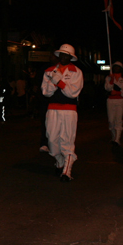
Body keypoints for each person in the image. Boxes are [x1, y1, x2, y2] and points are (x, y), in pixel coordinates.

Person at [42, 44, 84, 181]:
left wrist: (59, 82)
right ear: (59, 55)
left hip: (69, 110)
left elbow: (73, 92)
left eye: (67, 55)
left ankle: (67, 172)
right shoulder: (49, 71)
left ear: (71, 57)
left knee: (67, 141)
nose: (64, 57)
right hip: (52, 109)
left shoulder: (76, 72)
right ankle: (60, 161)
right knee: (52, 141)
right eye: (62, 54)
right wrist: (54, 82)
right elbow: (46, 92)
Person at [104, 61, 123, 146]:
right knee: (111, 120)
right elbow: (107, 88)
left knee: (118, 120)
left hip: (120, 101)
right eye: (115, 67)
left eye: (118, 67)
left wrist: (117, 93)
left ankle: (117, 139)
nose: (116, 68)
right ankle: (113, 137)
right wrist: (112, 80)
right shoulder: (108, 78)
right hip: (110, 101)